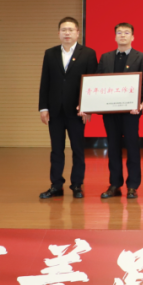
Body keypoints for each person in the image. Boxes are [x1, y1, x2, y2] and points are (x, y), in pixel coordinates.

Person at [38, 17, 98, 199]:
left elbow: (92, 83)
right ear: (58, 33)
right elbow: (45, 82)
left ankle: (77, 185)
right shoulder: (50, 53)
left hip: (77, 111)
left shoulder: (88, 53)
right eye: (64, 30)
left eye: (71, 30)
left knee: (78, 150)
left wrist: (88, 107)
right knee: (56, 150)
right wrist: (43, 108)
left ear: (78, 33)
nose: (67, 33)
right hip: (55, 111)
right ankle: (56, 185)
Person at [99, 22, 143, 199]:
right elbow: (98, 82)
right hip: (110, 111)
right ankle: (115, 184)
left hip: (131, 111)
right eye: (119, 32)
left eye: (126, 32)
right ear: (115, 37)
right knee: (113, 147)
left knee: (132, 147)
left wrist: (141, 102)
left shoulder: (141, 57)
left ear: (132, 37)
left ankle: (133, 185)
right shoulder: (105, 57)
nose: (122, 35)